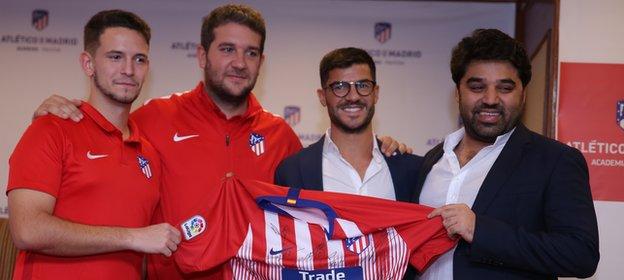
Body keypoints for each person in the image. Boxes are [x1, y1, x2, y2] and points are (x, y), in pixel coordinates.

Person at [6, 10, 181, 280]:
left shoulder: (149, 153)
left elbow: (149, 249)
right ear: (88, 64)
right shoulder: (50, 129)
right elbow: (27, 230)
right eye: (115, 57)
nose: (128, 69)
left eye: (139, 59)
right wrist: (131, 237)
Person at [413, 29, 599, 279]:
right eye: (477, 87)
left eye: (505, 88)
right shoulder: (431, 160)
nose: (490, 99)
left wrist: (480, 230)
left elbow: (580, 255)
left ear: (523, 94)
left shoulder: (556, 161)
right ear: (458, 92)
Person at [275, 47, 422, 203]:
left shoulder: (411, 169)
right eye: (340, 87)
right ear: (322, 97)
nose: (353, 96)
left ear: (376, 93)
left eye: (363, 85)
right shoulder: (291, 172)